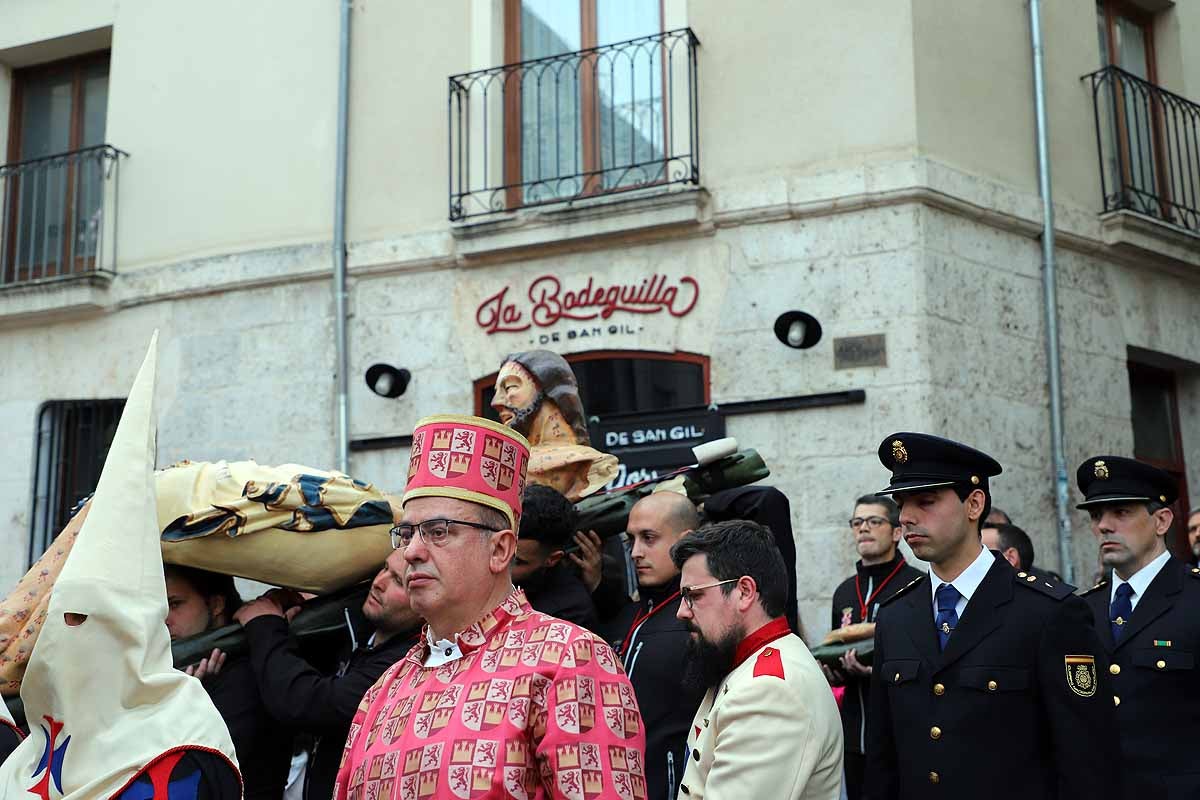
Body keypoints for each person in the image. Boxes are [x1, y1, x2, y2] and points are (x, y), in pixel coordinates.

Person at [335, 414, 645, 800]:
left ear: (499, 549)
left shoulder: (569, 660)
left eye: (438, 531)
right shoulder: (385, 689)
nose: (412, 552)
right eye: (407, 533)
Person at [0, 334, 241, 798]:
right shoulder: (24, 757)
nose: (73, 637)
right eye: (64, 621)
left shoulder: (183, 744)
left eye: (91, 620)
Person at [864, 432, 1119, 800]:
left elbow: (1087, 759)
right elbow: (883, 759)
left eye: (926, 500)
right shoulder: (896, 615)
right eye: (902, 503)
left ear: (974, 504)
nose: (906, 517)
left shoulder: (1047, 611)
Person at [673, 520, 843, 799]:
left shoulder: (768, 690)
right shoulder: (743, 662)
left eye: (694, 595)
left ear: (744, 592)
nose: (682, 611)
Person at [231, 558, 424, 800]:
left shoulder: (405, 663)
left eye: (397, 581)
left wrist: (265, 626)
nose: (378, 583)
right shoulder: (363, 629)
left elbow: (311, 703)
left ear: (425, 599)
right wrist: (299, 615)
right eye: (383, 569)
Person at [1075, 456, 1200, 799]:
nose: (1103, 526)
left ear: (1161, 520)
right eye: (1097, 515)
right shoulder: (1080, 610)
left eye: (1121, 512)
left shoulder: (1194, 598)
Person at [600, 491, 705, 800]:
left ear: (685, 541)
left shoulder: (701, 621)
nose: (635, 552)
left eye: (649, 538)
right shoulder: (626, 616)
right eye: (630, 539)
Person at [166, 565, 292, 800]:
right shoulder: (182, 672)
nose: (165, 619)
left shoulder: (246, 675)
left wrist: (184, 702)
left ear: (215, 605)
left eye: (175, 604)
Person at [826, 494, 922, 800]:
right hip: (854, 736)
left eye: (874, 521)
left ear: (896, 532)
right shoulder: (844, 592)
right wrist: (832, 671)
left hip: (901, 735)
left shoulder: (918, 585)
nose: (863, 528)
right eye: (857, 522)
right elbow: (835, 650)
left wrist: (878, 670)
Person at [492, 350, 617, 500]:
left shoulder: (580, 462)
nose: (496, 402)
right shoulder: (507, 461)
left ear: (549, 390)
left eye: (510, 387)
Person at [513, 484, 600, 631]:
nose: (498, 564)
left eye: (515, 561)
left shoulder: (569, 614)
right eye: (497, 549)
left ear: (552, 559)